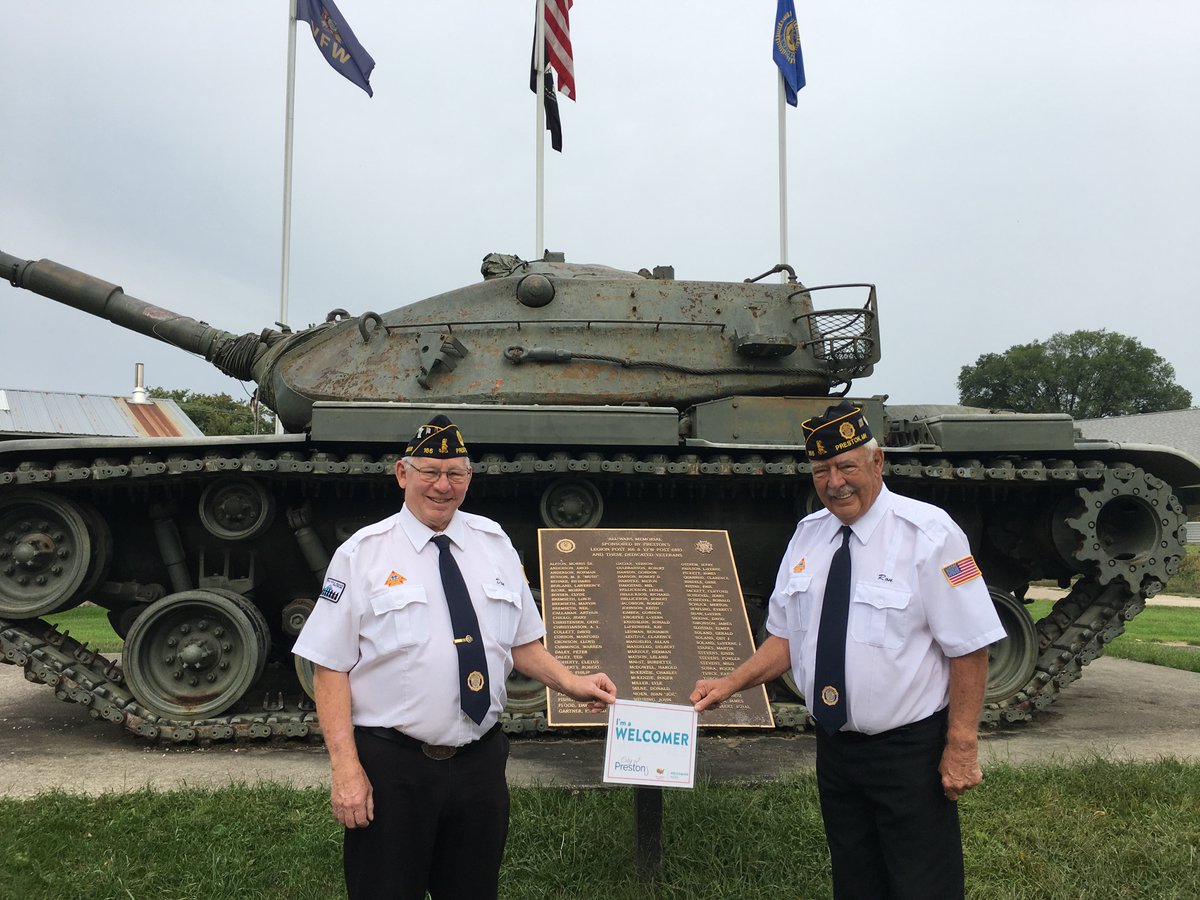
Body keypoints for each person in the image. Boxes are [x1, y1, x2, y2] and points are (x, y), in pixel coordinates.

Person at [690, 400, 1005, 899]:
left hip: (909, 750)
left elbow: (970, 647)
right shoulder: (807, 537)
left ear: (878, 463)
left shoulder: (930, 534)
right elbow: (786, 638)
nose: (834, 482)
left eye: (846, 466)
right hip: (835, 748)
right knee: (854, 880)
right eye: (821, 471)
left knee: (924, 883)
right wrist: (730, 684)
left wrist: (961, 744)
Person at [293, 414, 617, 900]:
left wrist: (571, 683)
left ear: (469, 479)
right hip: (393, 767)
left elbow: (521, 643)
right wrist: (345, 769)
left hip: (479, 764)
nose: (442, 486)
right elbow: (329, 664)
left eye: (455, 474)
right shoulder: (363, 555)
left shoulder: (495, 544)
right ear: (402, 474)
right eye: (429, 472)